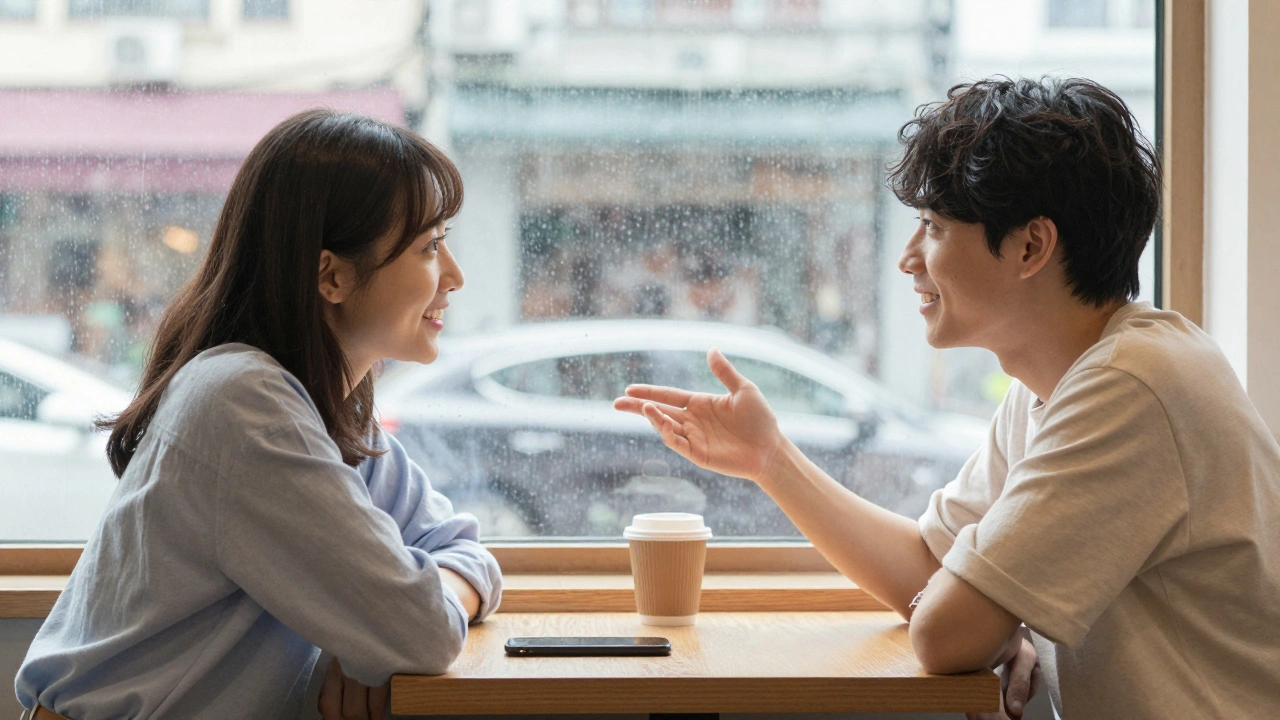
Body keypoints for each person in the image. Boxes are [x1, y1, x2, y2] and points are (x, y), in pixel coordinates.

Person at [615, 77, 1280, 720]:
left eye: (933, 227)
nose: (909, 258)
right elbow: (928, 568)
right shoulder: (1057, 384)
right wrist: (771, 459)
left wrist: (992, 620)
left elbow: (944, 632)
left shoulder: (1132, 387)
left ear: (1031, 245)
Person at [15, 110, 503, 720]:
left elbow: (462, 550)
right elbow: (424, 631)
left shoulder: (321, 407)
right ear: (332, 275)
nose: (454, 276)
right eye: (430, 247)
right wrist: (379, 632)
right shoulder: (246, 406)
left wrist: (368, 640)